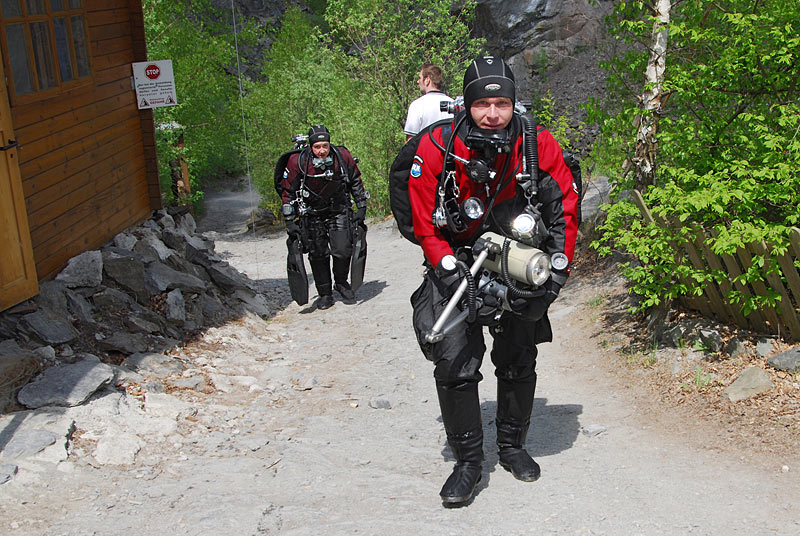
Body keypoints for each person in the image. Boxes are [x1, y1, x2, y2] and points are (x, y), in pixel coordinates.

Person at [407, 55, 579, 506]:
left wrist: (557, 270)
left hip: (517, 258)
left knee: (518, 358)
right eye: (483, 103)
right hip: (456, 259)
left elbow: (564, 207)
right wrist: (445, 263)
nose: (493, 113)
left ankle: (512, 447)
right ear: (466, 104)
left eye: (502, 102)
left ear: (513, 103)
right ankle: (467, 463)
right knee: (454, 363)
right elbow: (425, 221)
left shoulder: (536, 143)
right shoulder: (438, 146)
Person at [278, 125, 369, 310]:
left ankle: (341, 283)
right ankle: (325, 293)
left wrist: (361, 207)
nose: (322, 151)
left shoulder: (341, 156)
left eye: (325, 146)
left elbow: (355, 179)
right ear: (311, 147)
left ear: (329, 144)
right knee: (318, 254)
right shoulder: (298, 162)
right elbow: (287, 191)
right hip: (311, 213)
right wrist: (290, 220)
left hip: (338, 208)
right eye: (317, 146)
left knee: (343, 249)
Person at [403, 64, 454, 142]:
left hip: (425, 153)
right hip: (449, 153)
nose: (417, 81)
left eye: (419, 78)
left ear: (427, 80)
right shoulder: (453, 105)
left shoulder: (417, 105)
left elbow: (410, 142)